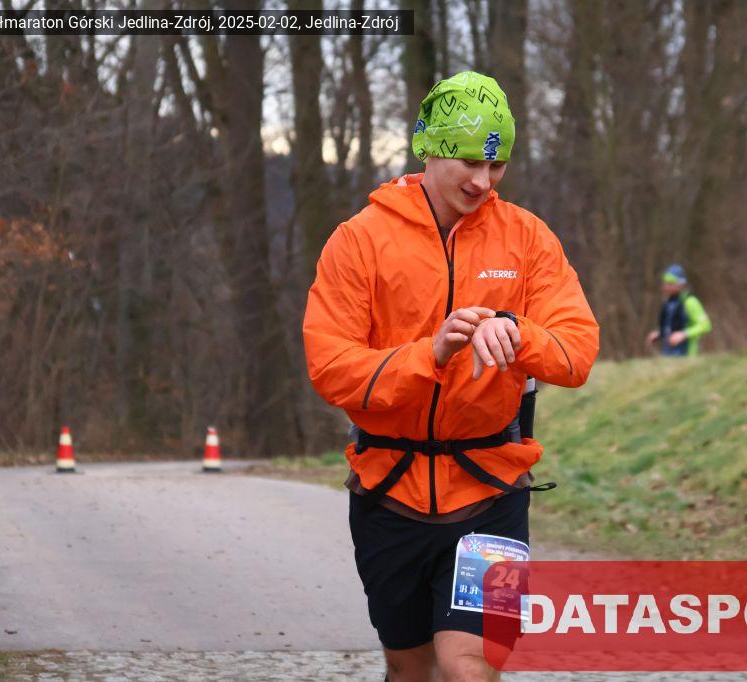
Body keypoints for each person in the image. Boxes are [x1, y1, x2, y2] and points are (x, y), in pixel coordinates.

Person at [302, 71, 599, 681]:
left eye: (497, 165)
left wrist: (515, 331)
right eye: (469, 161)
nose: (482, 182)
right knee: (409, 668)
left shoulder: (528, 239)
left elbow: (576, 353)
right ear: (429, 149)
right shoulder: (359, 241)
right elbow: (331, 369)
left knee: (470, 667)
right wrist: (429, 354)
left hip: (494, 494)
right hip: (388, 493)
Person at [645, 264, 712, 356]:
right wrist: (659, 333)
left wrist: (683, 334)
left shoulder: (690, 301)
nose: (665, 287)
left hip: (687, 355)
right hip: (668, 355)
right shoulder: (668, 303)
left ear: (681, 284)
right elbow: (671, 327)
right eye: (665, 283)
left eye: (670, 284)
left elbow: (705, 326)